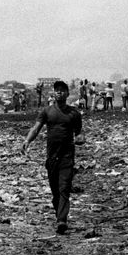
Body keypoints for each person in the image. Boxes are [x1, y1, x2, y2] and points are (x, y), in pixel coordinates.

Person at [22, 80, 83, 235]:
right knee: (55, 191)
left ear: (67, 94)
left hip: (67, 156)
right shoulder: (47, 111)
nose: (60, 92)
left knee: (64, 188)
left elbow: (79, 133)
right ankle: (59, 214)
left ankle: (62, 220)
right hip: (52, 157)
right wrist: (27, 140)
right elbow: (36, 128)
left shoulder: (74, 113)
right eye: (57, 90)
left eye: (63, 90)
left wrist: (81, 139)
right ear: (54, 93)